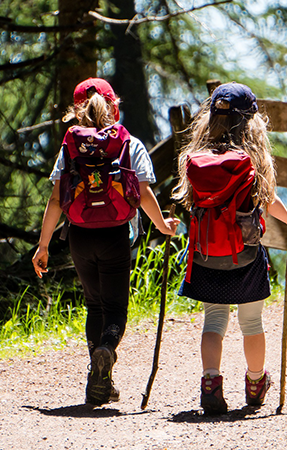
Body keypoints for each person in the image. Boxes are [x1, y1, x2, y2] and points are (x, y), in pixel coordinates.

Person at [32, 77, 180, 406]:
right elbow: (142, 194)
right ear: (114, 105)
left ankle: (98, 378)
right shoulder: (128, 143)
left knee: (94, 305)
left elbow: (57, 200)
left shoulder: (69, 148)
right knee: (116, 309)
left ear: (76, 111)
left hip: (80, 236)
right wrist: (163, 227)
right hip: (116, 235)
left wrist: (43, 246)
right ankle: (106, 351)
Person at [172, 82, 287, 415]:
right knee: (252, 322)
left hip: (204, 256)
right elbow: (267, 200)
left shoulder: (194, 160)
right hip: (244, 257)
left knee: (213, 321)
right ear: (251, 122)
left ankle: (210, 381)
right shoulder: (250, 160)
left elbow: (188, 203)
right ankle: (256, 382)